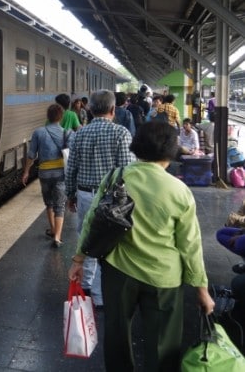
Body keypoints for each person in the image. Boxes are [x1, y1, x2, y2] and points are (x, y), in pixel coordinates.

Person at [68, 121, 215, 371]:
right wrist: (201, 289)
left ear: (136, 146)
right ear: (172, 149)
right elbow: (190, 245)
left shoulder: (116, 177)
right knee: (163, 344)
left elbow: (93, 221)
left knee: (116, 334)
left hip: (118, 271)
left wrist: (79, 259)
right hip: (164, 279)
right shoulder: (179, 191)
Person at [65, 89, 135, 309]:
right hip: (111, 199)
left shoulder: (79, 134)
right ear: (113, 109)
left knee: (86, 238)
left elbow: (71, 168)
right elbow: (126, 169)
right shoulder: (121, 133)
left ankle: (85, 287)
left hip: (85, 194)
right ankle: (100, 295)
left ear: (90, 109)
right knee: (109, 241)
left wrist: (69, 194)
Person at [22, 104, 72, 248]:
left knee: (49, 203)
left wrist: (26, 171)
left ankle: (52, 229)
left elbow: (31, 155)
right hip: (60, 174)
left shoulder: (38, 132)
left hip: (44, 173)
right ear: (61, 117)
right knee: (60, 205)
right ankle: (57, 236)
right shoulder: (67, 133)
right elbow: (71, 155)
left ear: (47, 116)